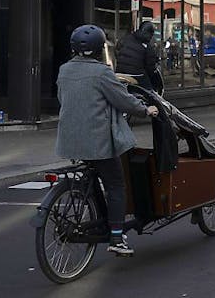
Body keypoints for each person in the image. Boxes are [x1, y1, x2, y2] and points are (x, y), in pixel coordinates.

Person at [55, 24, 158, 257]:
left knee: (97, 174)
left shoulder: (64, 70)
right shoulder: (102, 72)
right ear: (100, 48)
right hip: (97, 140)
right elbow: (123, 100)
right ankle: (116, 237)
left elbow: (65, 97)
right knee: (116, 185)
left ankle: (98, 213)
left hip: (70, 138)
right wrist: (146, 110)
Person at [116, 21, 160, 92]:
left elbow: (117, 49)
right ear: (150, 33)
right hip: (136, 75)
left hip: (119, 73)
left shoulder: (126, 38)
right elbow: (150, 67)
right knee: (150, 92)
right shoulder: (147, 46)